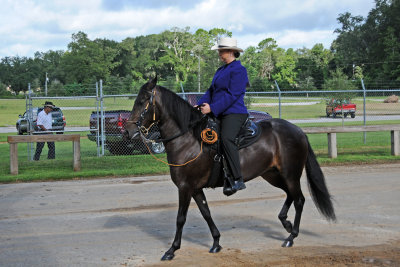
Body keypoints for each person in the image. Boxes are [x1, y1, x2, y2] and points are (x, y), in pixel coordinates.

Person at [196, 37, 249, 193]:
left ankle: (237, 179)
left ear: (232, 52)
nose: (219, 53)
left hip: (234, 112)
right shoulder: (220, 70)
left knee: (226, 138)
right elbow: (211, 91)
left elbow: (233, 95)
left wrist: (212, 108)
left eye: (222, 50)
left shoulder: (239, 70)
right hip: (218, 110)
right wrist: (200, 104)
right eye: (219, 50)